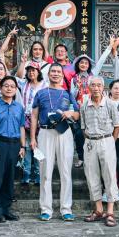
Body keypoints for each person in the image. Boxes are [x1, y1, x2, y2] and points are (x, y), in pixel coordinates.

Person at [30, 63, 80, 221]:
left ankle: (66, 208)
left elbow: (77, 115)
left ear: (62, 75)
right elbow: (34, 116)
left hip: (64, 133)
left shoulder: (67, 93)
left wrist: (70, 112)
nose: (56, 74)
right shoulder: (41, 93)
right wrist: (32, 138)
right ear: (48, 74)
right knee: (45, 172)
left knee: (66, 171)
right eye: (53, 71)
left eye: (59, 71)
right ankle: (46, 208)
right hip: (45, 132)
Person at [0, 76, 26, 223]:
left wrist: (22, 146)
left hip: (14, 145)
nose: (9, 88)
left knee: (10, 177)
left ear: (15, 90)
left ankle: (6, 208)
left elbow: (21, 127)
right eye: (6, 86)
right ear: (0, 88)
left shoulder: (19, 107)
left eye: (12, 86)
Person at [80, 76, 119, 227]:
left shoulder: (110, 104)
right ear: (89, 87)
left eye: (99, 85)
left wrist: (110, 142)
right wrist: (91, 139)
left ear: (103, 88)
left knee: (109, 175)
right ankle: (98, 210)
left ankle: (110, 211)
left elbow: (117, 126)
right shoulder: (84, 105)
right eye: (93, 85)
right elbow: (83, 128)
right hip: (90, 141)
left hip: (107, 140)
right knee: (91, 175)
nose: (96, 88)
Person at [19, 61, 44, 189]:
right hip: (26, 118)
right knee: (28, 146)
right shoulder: (24, 84)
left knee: (38, 147)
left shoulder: (44, 85)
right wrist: (23, 63)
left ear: (38, 72)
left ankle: (38, 175)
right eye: (29, 70)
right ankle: (26, 174)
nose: (31, 72)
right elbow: (14, 76)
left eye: (34, 70)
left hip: (40, 120)